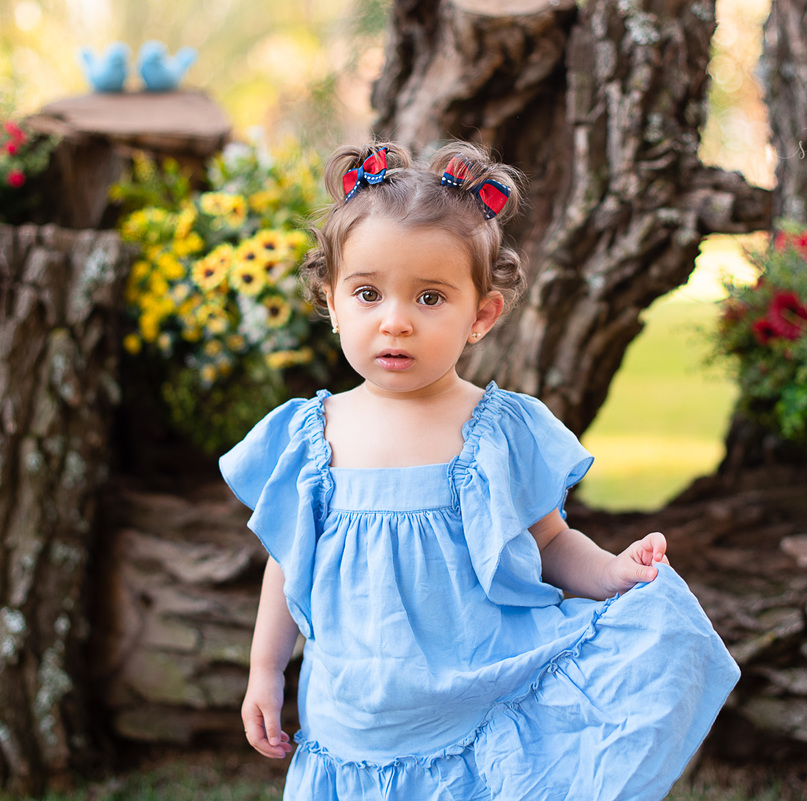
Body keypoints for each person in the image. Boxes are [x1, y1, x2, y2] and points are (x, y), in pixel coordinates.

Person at [219, 141, 740, 800]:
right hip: (358, 711)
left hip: (479, 696)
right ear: (331, 300)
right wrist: (265, 669)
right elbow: (288, 560)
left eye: (430, 297)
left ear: (481, 314)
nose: (395, 322)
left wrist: (611, 572)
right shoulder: (308, 436)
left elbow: (549, 542)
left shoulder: (498, 431)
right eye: (368, 293)